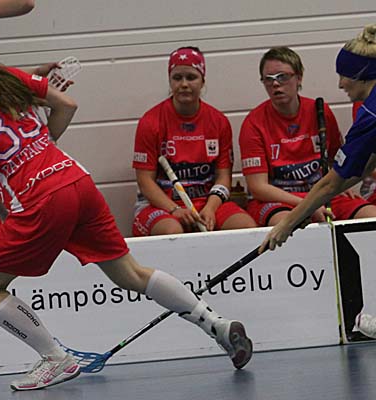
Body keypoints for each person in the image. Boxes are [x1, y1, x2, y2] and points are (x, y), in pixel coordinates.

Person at [0, 35, 253, 391]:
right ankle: (217, 324)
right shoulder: (3, 78)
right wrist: (44, 143)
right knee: (132, 273)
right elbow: (67, 105)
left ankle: (54, 358)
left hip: (39, 199)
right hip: (76, 179)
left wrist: (7, 216)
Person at [260, 25, 376, 336]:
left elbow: (330, 184)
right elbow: (359, 169)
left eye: (344, 76)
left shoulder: (371, 114)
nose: (340, 84)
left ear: (363, 74)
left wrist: (285, 225)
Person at [239, 46, 376, 228]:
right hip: (280, 200)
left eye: (283, 77)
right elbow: (258, 188)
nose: (275, 84)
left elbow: (338, 160)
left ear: (299, 77)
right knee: (288, 225)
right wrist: (307, 205)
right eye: (268, 79)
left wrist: (340, 186)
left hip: (321, 193)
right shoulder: (253, 122)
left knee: (370, 216)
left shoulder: (320, 111)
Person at [132, 47, 256, 236]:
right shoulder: (150, 122)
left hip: (206, 202)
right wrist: (175, 210)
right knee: (172, 231)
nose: (184, 84)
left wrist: (211, 208)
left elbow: (223, 177)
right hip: (162, 206)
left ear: (202, 80)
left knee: (245, 227)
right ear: (170, 81)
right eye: (177, 78)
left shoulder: (218, 121)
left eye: (191, 77)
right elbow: (145, 181)